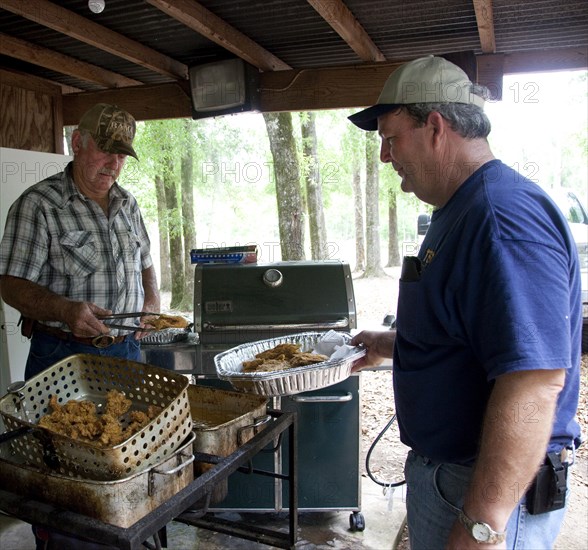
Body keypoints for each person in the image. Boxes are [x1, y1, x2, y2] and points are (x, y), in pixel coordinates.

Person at [348, 56, 582, 549]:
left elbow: (535, 382)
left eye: (390, 139)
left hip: (484, 489)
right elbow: (473, 334)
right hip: (450, 478)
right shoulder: (460, 210)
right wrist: (390, 345)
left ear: (435, 127)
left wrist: (483, 524)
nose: (385, 158)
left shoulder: (500, 217)